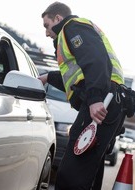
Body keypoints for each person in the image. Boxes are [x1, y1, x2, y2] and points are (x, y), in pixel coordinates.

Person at [39, 2, 126, 189]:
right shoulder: (73, 32)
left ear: (58, 19)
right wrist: (47, 77)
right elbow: (77, 79)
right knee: (88, 172)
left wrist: (95, 99)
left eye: (47, 26)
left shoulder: (72, 27)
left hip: (103, 100)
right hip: (110, 98)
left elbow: (95, 60)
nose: (46, 33)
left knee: (72, 173)